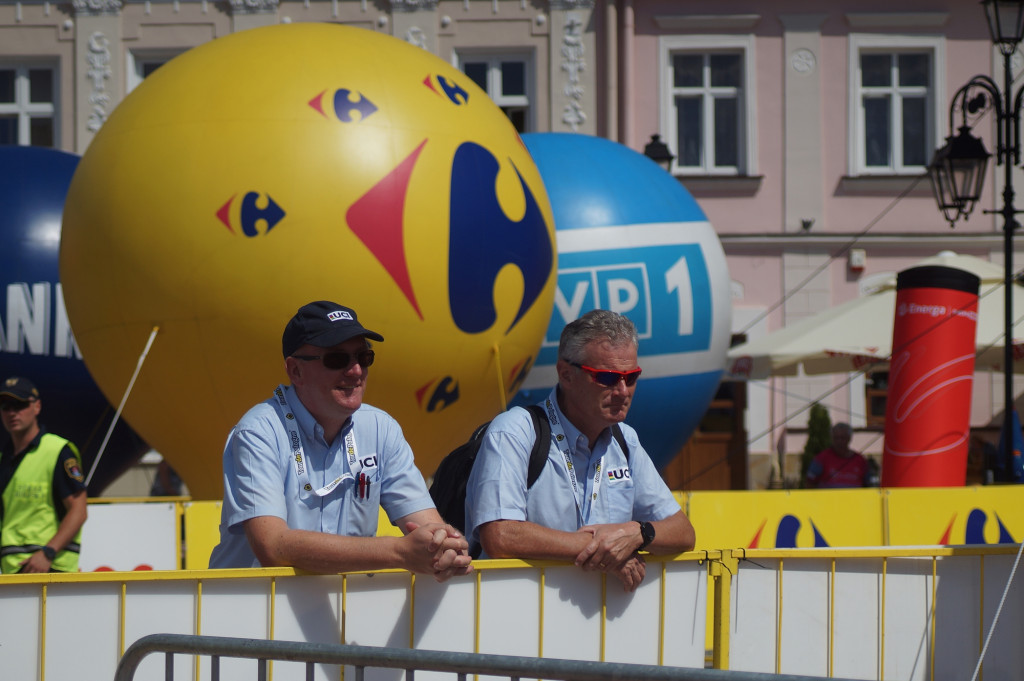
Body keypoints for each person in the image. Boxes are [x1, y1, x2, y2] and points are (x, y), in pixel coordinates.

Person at [208, 300, 472, 581]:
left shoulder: (381, 428)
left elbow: (430, 529)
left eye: (364, 357)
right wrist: (397, 551)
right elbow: (273, 547)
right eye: (337, 359)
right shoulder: (258, 431)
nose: (356, 370)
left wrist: (446, 547)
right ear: (295, 371)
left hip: (341, 610)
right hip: (253, 615)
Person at [464, 310, 696, 592]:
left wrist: (637, 533)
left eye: (631, 377)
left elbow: (683, 531)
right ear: (566, 374)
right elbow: (500, 535)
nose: (623, 391)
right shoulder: (514, 430)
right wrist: (604, 550)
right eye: (608, 378)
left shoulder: (625, 439)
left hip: (596, 626)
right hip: (518, 621)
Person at [0, 377, 88, 574]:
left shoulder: (57, 451)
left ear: (37, 406)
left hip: (51, 567)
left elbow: (79, 510)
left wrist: (48, 552)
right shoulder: (3, 459)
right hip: (13, 569)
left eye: (20, 404)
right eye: (5, 406)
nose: (12, 412)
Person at [805, 423, 876, 488]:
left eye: (842, 438)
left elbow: (868, 484)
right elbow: (809, 483)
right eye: (836, 438)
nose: (839, 441)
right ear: (832, 439)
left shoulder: (860, 460)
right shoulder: (821, 458)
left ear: (849, 439)